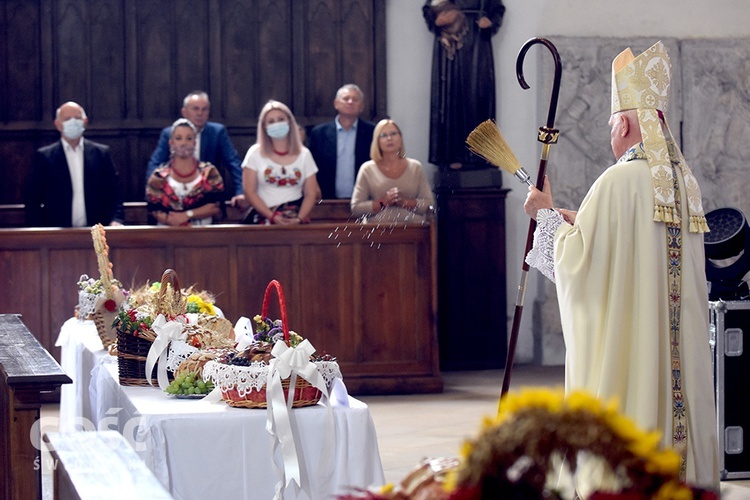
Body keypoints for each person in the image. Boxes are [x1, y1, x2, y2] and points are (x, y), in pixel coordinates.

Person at [523, 41, 719, 495]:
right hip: (677, 350)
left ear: (626, 123)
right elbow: (626, 247)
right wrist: (574, 219)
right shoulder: (684, 183)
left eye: (612, 125)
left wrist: (545, 215)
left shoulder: (617, 180)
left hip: (633, 348)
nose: (611, 135)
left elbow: (580, 263)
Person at [423, 0, 505, 170]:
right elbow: (429, 9)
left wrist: (490, 21)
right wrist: (436, 20)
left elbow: (497, 8)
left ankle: (481, 155)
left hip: (476, 39)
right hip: (451, 39)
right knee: (451, 97)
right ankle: (452, 155)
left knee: (479, 95)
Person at [24, 101, 124, 227]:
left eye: (77, 118)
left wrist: (116, 220)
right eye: (67, 119)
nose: (73, 122)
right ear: (58, 124)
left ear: (85, 121)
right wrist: (41, 232)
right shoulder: (45, 157)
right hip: (57, 233)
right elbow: (32, 198)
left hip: (97, 232)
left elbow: (115, 193)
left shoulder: (101, 154)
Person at [146, 91, 246, 208]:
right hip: (174, 197)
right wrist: (152, 190)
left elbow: (233, 163)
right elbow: (155, 164)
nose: (200, 113)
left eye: (204, 109)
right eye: (195, 109)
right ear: (184, 112)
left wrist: (241, 192)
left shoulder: (217, 132)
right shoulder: (170, 133)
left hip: (207, 198)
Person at [241, 100, 320, 225]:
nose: (276, 124)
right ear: (264, 126)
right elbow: (249, 192)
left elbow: (311, 193)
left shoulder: (304, 154)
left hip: (296, 218)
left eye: (281, 119)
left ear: (289, 121)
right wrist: (271, 216)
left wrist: (299, 219)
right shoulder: (255, 153)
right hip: (264, 218)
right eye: (271, 121)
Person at [350, 119, 434, 224]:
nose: (389, 138)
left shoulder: (415, 167)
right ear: (377, 141)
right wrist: (384, 202)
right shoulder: (367, 168)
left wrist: (404, 202)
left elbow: (429, 203)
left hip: (414, 230)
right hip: (377, 231)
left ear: (400, 137)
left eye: (393, 134)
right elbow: (356, 208)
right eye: (384, 135)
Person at [145, 118, 224, 226]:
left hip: (204, 237)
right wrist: (173, 222)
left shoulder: (209, 173)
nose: (184, 143)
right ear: (171, 143)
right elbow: (154, 210)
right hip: (166, 236)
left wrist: (187, 215)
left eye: (189, 138)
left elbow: (215, 206)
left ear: (194, 143)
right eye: (178, 138)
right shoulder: (158, 177)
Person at [307, 84, 376, 199]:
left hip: (364, 200)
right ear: (336, 104)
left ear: (362, 106)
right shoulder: (319, 133)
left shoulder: (372, 132)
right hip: (327, 200)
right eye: (346, 98)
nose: (350, 102)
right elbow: (311, 167)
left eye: (355, 99)